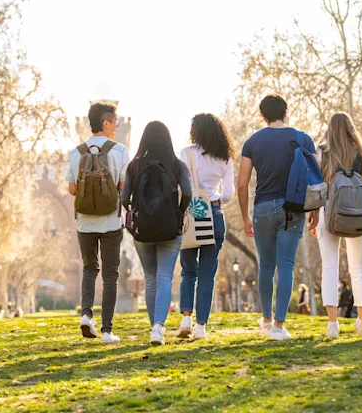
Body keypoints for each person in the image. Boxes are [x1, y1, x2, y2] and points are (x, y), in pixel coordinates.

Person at [237, 95, 319, 341]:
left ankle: (265, 319)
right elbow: (315, 178)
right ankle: (279, 326)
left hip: (262, 208)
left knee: (266, 266)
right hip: (292, 209)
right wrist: (314, 210)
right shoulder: (303, 139)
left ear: (262, 115)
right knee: (285, 266)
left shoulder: (252, 142)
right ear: (287, 111)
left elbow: (242, 184)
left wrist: (245, 217)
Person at [66, 102, 130, 344]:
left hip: (84, 222)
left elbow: (72, 189)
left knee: (89, 269)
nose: (117, 126)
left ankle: (86, 315)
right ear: (105, 122)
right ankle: (106, 331)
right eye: (115, 121)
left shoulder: (76, 152)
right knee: (111, 275)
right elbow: (123, 187)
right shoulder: (120, 151)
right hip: (111, 222)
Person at [122, 121, 191, 345]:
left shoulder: (134, 166)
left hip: (143, 230)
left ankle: (154, 328)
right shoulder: (177, 165)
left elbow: (124, 200)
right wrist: (178, 213)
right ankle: (158, 329)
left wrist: (135, 213)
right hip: (171, 228)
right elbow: (188, 193)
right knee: (164, 277)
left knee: (150, 278)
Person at [313, 112, 362, 338]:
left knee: (329, 267)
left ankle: (332, 324)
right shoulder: (361, 153)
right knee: (358, 268)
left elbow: (318, 187)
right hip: (358, 215)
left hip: (328, 213)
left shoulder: (322, 152)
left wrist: (313, 216)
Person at [178, 113, 235, 340]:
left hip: (192, 212)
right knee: (207, 274)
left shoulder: (187, 154)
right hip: (215, 213)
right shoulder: (226, 158)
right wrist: (215, 198)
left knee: (188, 270)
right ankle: (201, 327)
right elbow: (229, 194)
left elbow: (181, 186)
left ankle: (185, 320)